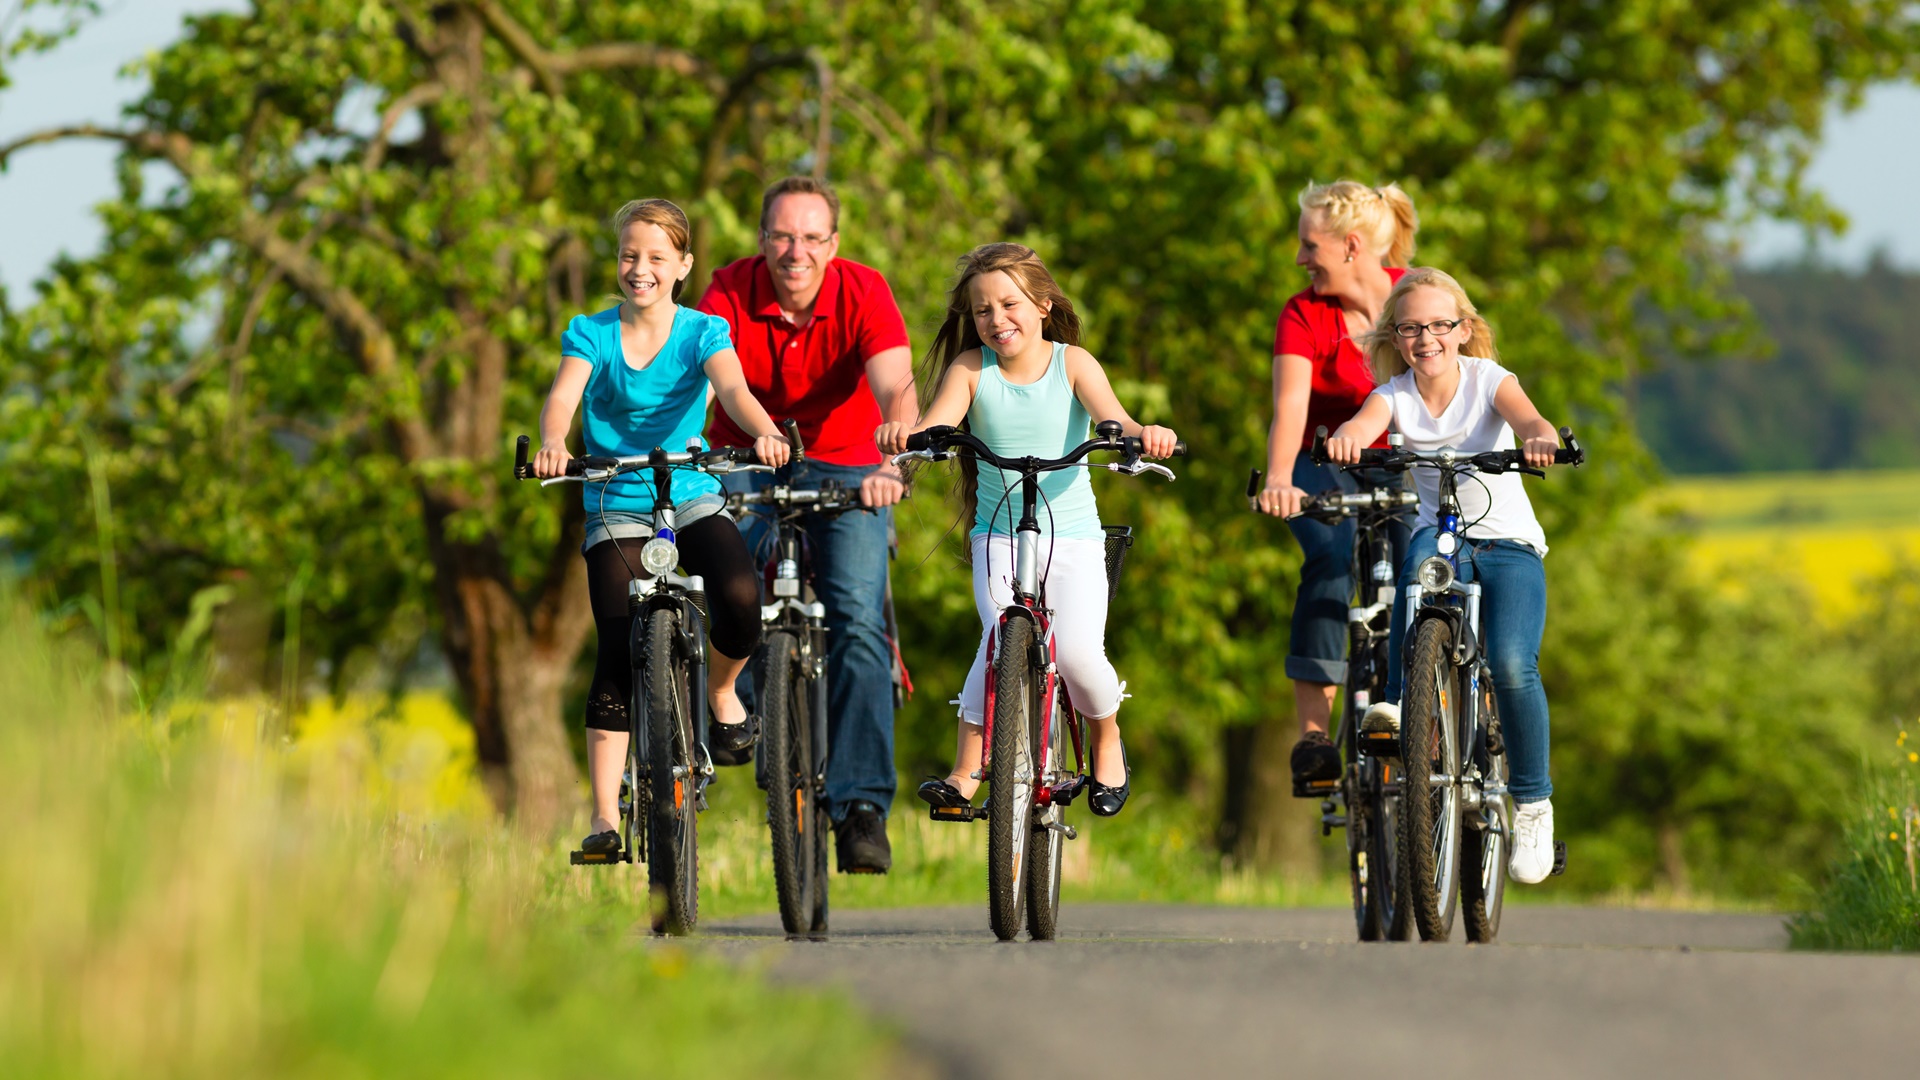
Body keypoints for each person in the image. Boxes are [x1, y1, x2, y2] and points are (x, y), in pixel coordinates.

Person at [875, 243, 1179, 819]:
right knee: (997, 641)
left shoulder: (1073, 363)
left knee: (1081, 655)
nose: (996, 319)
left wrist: (1146, 435)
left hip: (1073, 538)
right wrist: (907, 438)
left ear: (1043, 305)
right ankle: (966, 770)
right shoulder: (971, 369)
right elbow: (937, 424)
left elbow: (1116, 418)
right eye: (982, 310)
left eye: (1009, 304)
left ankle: (1106, 738)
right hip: (998, 536)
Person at [532, 198, 792, 858]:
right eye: (628, 255)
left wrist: (765, 433)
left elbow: (733, 391)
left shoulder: (703, 332)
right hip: (616, 500)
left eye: (655, 257)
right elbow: (563, 397)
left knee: (740, 596)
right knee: (616, 646)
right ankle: (604, 818)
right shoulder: (591, 334)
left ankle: (722, 691)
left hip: (690, 492)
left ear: (683, 265)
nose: (639, 268)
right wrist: (554, 441)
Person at [698, 176, 917, 873]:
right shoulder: (728, 290)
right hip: (745, 454)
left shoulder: (864, 290)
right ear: (763, 239)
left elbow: (896, 386)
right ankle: (739, 705)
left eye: (813, 238)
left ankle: (861, 808)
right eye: (783, 236)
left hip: (850, 462)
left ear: (834, 243)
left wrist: (895, 460)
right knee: (723, 577)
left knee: (855, 615)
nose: (798, 252)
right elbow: (698, 371)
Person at [1323, 266, 1564, 883]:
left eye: (1438, 325)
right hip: (1444, 537)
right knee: (1412, 577)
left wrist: (1539, 438)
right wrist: (1348, 439)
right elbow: (1363, 424)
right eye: (1410, 328)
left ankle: (1533, 805)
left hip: (1507, 543)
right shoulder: (1395, 394)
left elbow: (1530, 420)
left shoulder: (1489, 380)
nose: (1425, 338)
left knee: (1511, 662)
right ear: (1395, 337)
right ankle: (1402, 705)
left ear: (1462, 329)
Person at [1252, 180, 1419, 789]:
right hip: (1318, 459)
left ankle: (1435, 708)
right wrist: (1278, 479)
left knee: (1427, 568)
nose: (1301, 258)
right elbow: (1290, 407)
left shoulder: (1417, 297)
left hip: (1403, 459)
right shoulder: (1304, 314)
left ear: (1351, 245)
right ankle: (1316, 738)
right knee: (1329, 556)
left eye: (1309, 246)